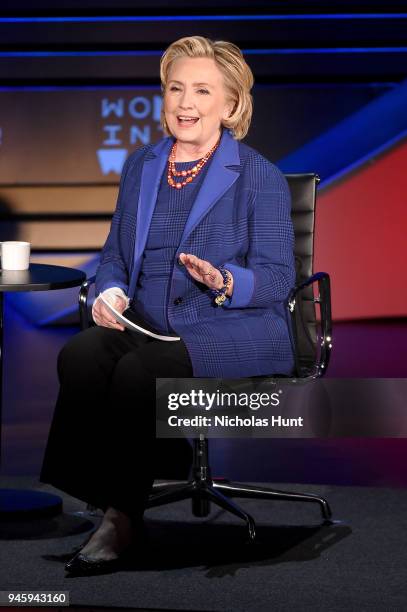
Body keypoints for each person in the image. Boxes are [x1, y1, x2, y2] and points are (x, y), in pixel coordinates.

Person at [39, 35, 296, 575]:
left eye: (202, 90)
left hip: (228, 327)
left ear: (230, 105)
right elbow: (113, 254)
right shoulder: (142, 165)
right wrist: (109, 291)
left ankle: (121, 519)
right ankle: (103, 492)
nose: (184, 102)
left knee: (137, 374)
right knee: (81, 355)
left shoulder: (258, 176)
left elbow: (277, 279)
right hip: (149, 323)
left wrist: (226, 280)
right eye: (175, 88)